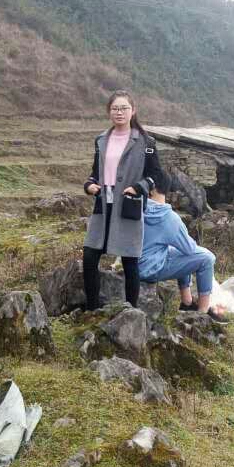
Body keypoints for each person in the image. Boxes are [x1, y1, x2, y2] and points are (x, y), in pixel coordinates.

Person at [82, 90, 163, 310]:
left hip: (128, 205)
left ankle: (130, 311)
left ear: (132, 111)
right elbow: (94, 173)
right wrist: (89, 185)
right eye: (115, 108)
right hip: (103, 205)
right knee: (89, 257)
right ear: (109, 111)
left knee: (129, 261)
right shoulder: (101, 140)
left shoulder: (146, 142)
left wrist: (138, 187)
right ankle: (91, 309)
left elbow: (157, 175)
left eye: (124, 108)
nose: (119, 112)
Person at [140, 170, 224, 316]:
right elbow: (189, 249)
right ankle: (202, 313)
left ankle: (187, 302)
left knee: (175, 249)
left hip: (134, 264)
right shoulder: (169, 218)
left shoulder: (137, 208)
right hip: (151, 269)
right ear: (166, 188)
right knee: (207, 258)